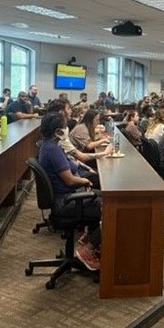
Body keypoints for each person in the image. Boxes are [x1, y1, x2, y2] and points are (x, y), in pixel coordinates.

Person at [38, 112, 103, 270]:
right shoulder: (52, 150)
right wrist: (86, 181)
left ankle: (91, 238)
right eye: (65, 126)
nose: (67, 129)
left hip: (66, 196)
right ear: (58, 131)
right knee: (111, 205)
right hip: (66, 201)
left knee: (103, 195)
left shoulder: (49, 145)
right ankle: (88, 250)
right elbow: (70, 180)